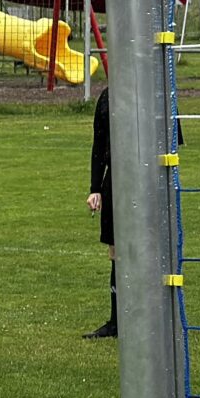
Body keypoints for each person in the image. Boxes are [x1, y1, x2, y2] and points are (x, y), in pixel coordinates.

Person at [87, 84, 116, 338]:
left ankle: (149, 317)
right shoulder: (107, 97)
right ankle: (117, 321)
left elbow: (173, 144)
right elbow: (98, 146)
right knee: (115, 251)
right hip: (114, 183)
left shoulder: (157, 94)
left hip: (149, 182)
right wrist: (95, 188)